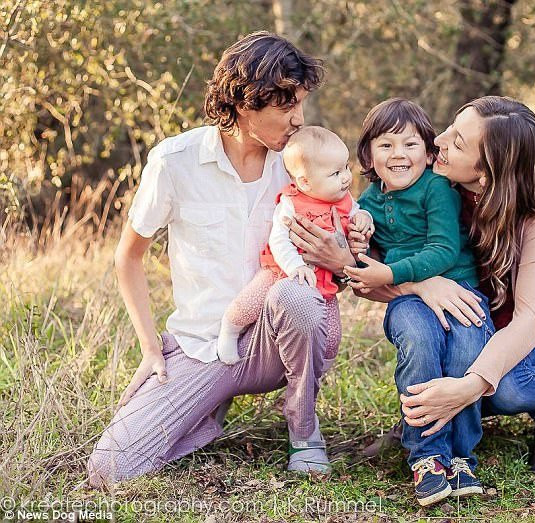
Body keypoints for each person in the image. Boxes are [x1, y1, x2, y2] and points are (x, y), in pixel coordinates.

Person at [87, 32, 360, 486]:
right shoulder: (174, 161)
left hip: (277, 340)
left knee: (293, 297)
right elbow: (128, 257)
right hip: (204, 345)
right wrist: (151, 347)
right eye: (287, 105)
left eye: (301, 104)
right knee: (110, 468)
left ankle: (304, 430)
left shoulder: (300, 165)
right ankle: (207, 405)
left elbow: (343, 250)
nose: (299, 119)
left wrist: (341, 261)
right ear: (244, 101)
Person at [350, 96, 535, 482]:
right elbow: (370, 279)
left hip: (516, 341)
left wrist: (470, 386)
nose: (437, 141)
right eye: (450, 129)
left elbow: (529, 319)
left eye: (457, 143)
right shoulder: (432, 186)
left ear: (487, 174)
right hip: (457, 329)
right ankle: (425, 425)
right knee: (427, 338)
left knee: (505, 390)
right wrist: (420, 283)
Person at [343, 98, 493, 507]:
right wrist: (359, 237)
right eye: (386, 145)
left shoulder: (437, 189)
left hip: (460, 291)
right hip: (410, 300)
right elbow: (360, 255)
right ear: (368, 156)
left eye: (410, 144)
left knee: (465, 352)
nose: (398, 154)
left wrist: (389, 271)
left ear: (429, 154)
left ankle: (461, 456)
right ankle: (427, 456)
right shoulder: (367, 202)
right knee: (420, 343)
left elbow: (443, 250)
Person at [217, 126, 373, 365]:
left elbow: (356, 212)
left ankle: (320, 363)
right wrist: (294, 266)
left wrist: (364, 218)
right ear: (305, 182)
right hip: (282, 271)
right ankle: (230, 329)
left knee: (331, 334)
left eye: (345, 168)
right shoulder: (291, 204)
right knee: (249, 303)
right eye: (335, 173)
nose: (345, 177)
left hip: (323, 277)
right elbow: (278, 239)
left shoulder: (344, 199)